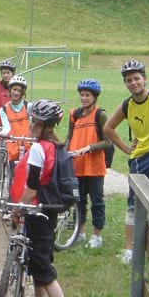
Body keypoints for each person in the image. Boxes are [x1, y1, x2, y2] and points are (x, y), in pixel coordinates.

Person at [9, 99, 76, 297]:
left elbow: (32, 187)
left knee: (44, 268)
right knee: (37, 263)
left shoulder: (39, 148)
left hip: (37, 212)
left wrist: (17, 208)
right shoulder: (56, 146)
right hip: (49, 211)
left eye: (32, 120)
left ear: (38, 122)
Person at [103, 60, 149, 265]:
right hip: (139, 158)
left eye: (137, 78)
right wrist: (126, 148)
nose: (134, 83)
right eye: (129, 80)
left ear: (145, 78)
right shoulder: (127, 104)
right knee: (133, 205)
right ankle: (129, 249)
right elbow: (108, 128)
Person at [66, 79, 112, 249]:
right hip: (77, 166)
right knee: (78, 201)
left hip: (94, 168)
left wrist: (89, 148)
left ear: (94, 97)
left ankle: (97, 235)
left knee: (97, 201)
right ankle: (80, 231)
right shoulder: (74, 115)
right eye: (82, 95)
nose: (84, 98)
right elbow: (70, 137)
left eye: (87, 95)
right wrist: (65, 151)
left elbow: (108, 141)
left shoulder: (100, 115)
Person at [0, 75, 31, 180]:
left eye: (19, 90)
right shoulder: (3, 109)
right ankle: (12, 194)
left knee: (29, 175)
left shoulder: (29, 106)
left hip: (28, 144)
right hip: (13, 145)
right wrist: (3, 133)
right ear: (10, 90)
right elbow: (6, 127)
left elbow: (33, 126)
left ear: (22, 93)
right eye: (14, 89)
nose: (16, 93)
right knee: (13, 175)